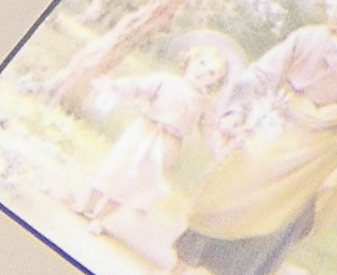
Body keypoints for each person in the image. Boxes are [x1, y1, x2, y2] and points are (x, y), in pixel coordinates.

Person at [165, 0, 337, 275]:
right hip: (280, 130)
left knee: (275, 223)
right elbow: (262, 73)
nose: (333, 15)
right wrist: (238, 110)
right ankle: (178, 266)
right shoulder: (307, 37)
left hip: (320, 154)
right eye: (330, 8)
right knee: (229, 193)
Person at [78, 35, 238, 224]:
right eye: (201, 63)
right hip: (143, 131)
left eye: (211, 73)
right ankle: (88, 206)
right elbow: (138, 87)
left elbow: (209, 131)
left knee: (135, 182)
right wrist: (114, 88)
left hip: (168, 145)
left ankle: (100, 218)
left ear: (216, 81)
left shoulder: (204, 105)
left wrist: (218, 150)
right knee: (114, 168)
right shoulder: (166, 81)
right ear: (191, 59)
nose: (202, 72)